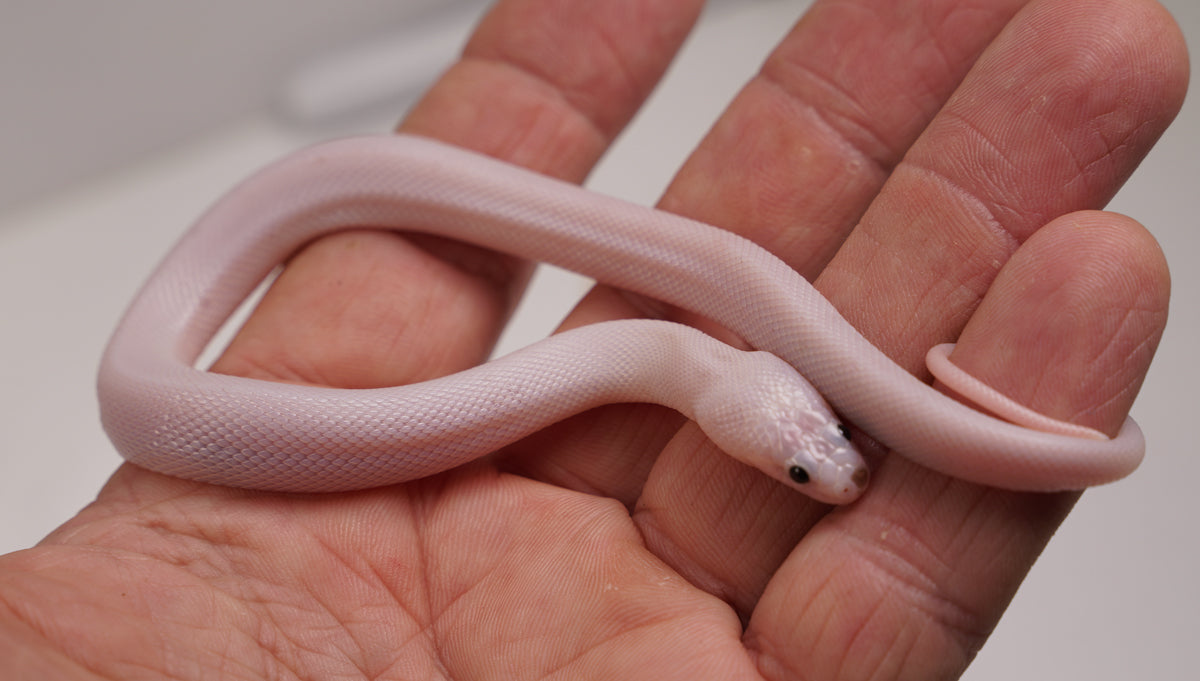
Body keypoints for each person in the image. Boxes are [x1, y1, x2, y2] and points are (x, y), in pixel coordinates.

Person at [0, 0, 1187, 678]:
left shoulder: (691, 366)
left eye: (807, 450)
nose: (829, 468)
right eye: (799, 461)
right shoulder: (673, 366)